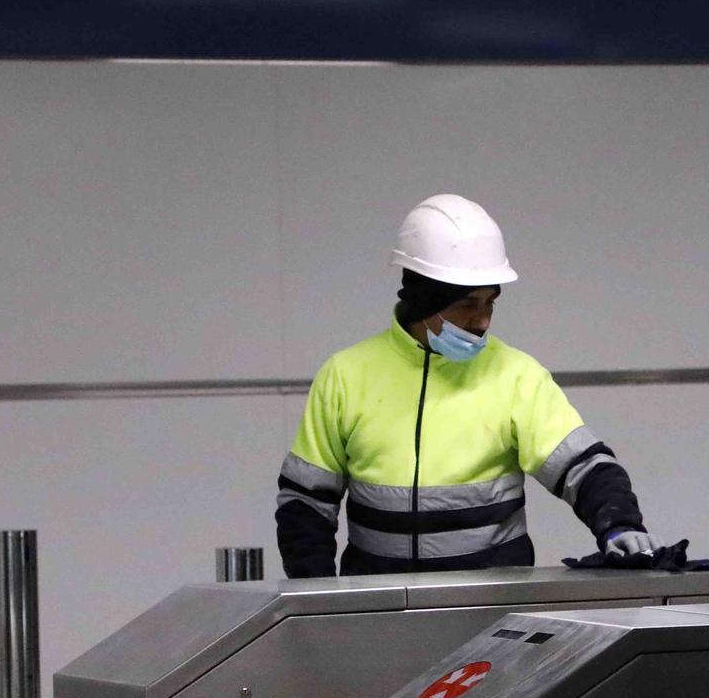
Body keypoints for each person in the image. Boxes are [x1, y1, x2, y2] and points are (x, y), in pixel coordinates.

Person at [274, 194, 657, 578]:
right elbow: (305, 505)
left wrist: (619, 524)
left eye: (490, 302)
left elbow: (584, 467)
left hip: (492, 615)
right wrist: (318, 603)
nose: (483, 320)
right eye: (468, 304)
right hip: (378, 615)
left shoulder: (516, 376)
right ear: (425, 299)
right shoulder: (345, 376)